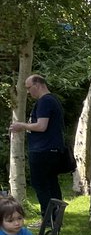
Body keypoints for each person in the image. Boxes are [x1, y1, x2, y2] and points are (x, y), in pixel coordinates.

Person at [8, 74, 71, 217]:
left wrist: (21, 125)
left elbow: (42, 126)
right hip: (51, 150)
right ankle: (55, 218)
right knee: (51, 183)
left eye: (29, 88)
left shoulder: (45, 101)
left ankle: (48, 218)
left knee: (41, 185)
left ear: (38, 85)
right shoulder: (52, 100)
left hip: (43, 151)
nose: (29, 92)